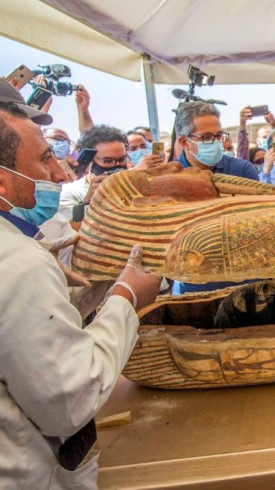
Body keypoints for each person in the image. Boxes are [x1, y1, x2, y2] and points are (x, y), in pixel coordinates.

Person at [0, 90, 161, 488]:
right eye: (43, 158)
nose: (58, 173)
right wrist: (126, 297)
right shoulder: (17, 263)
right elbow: (69, 400)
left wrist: (88, 287)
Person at [59, 125, 130, 224]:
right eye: (108, 161)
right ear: (90, 161)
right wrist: (89, 200)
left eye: (122, 159)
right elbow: (70, 232)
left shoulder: (133, 186)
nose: (118, 166)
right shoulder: (70, 192)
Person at [175, 101, 259, 180]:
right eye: (207, 137)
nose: (216, 142)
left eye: (218, 135)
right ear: (184, 141)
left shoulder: (242, 170)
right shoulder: (170, 175)